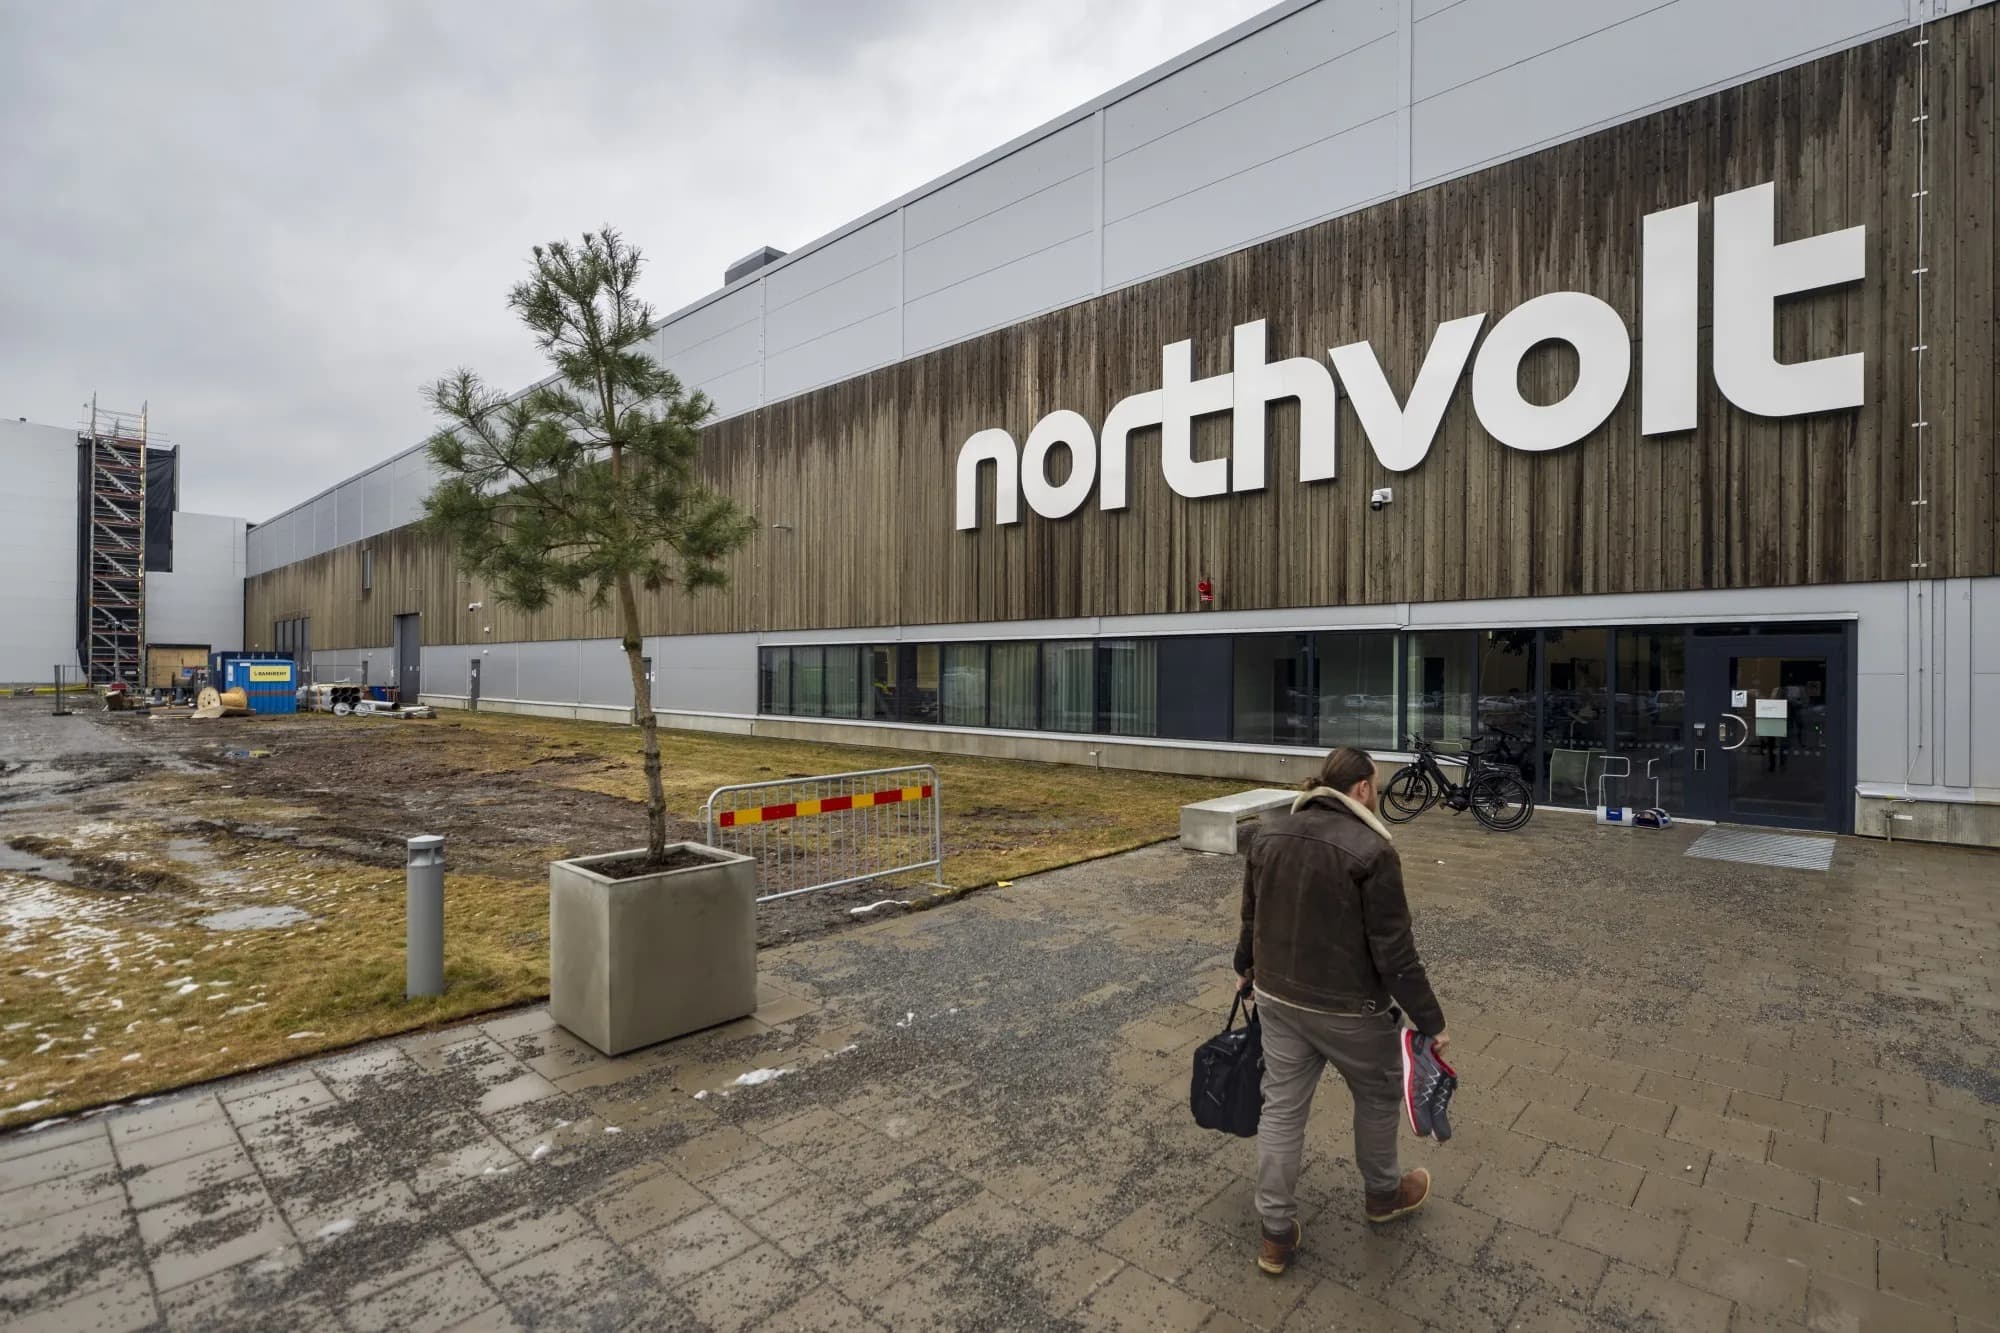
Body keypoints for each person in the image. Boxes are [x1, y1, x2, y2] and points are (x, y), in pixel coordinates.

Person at [1234, 746, 1449, 1276]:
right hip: (1351, 1010)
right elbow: (1395, 953)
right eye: (1376, 784)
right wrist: (1431, 1022)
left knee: (1281, 1110)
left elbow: (1251, 917)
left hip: (1278, 998)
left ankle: (1275, 1235)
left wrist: (1245, 969)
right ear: (1362, 789)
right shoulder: (1373, 851)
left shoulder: (1270, 835)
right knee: (1377, 1095)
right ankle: (1383, 1195)